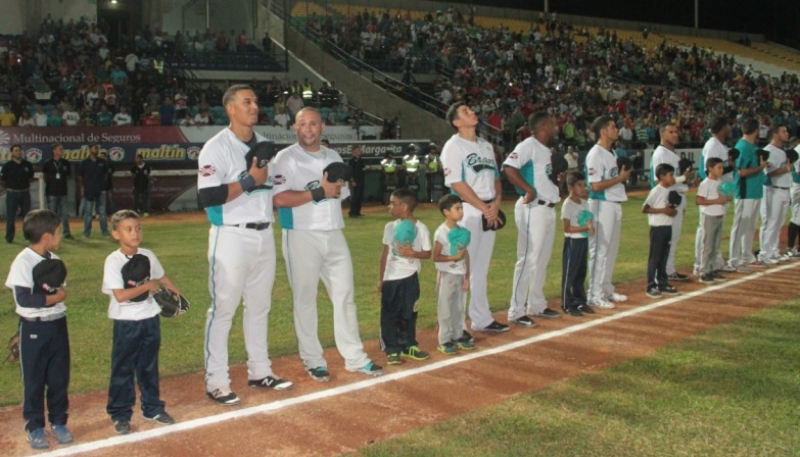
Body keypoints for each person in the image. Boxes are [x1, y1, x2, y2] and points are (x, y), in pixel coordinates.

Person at [197, 84, 292, 406]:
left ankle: (260, 370)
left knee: (259, 306)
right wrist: (250, 179)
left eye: (255, 101)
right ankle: (217, 380)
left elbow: (274, 190)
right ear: (231, 109)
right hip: (231, 235)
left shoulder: (266, 145)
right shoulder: (216, 147)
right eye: (246, 101)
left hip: (265, 233)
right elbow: (207, 196)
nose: (254, 106)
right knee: (223, 309)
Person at [272, 107, 383, 381]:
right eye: (302, 124)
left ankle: (355, 357)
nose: (308, 129)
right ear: (295, 128)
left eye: (313, 124)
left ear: (322, 127)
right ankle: (313, 360)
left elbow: (340, 194)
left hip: (334, 233)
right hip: (301, 234)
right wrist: (318, 191)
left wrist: (330, 192)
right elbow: (279, 199)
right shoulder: (285, 158)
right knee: (305, 300)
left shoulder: (333, 156)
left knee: (345, 296)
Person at [102, 210, 179, 434]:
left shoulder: (147, 255)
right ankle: (120, 413)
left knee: (148, 366)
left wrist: (178, 297)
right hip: (126, 322)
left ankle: (152, 407)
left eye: (138, 228)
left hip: (149, 318)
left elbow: (161, 277)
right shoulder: (113, 261)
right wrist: (148, 286)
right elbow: (120, 295)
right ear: (116, 234)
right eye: (128, 229)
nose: (135, 233)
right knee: (123, 368)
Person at [5, 210, 72, 449]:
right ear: (46, 235)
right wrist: (54, 298)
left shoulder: (53, 260)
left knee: (58, 379)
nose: (60, 235)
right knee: (33, 381)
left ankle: (58, 422)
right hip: (34, 329)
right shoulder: (23, 261)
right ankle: (34, 426)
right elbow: (23, 299)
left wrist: (56, 298)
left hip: (57, 325)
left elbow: (59, 292)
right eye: (58, 232)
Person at [440, 102, 508, 332]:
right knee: (462, 269)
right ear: (456, 122)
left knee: (481, 268)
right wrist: (483, 206)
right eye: (465, 112)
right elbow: (456, 183)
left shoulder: (486, 145)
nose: (472, 112)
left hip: (488, 210)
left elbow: (496, 178)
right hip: (466, 211)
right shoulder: (453, 147)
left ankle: (482, 318)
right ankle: (456, 327)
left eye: (471, 109)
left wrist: (495, 204)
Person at [503, 112, 562, 328]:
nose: (556, 127)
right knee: (527, 259)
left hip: (548, 208)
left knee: (542, 260)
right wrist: (528, 189)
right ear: (545, 126)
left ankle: (536, 303)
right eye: (553, 123)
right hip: (532, 208)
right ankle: (516, 310)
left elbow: (546, 177)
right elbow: (509, 167)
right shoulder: (528, 145)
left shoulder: (547, 150)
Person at [379, 189, 432, 365]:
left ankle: (408, 344)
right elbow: (385, 253)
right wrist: (382, 279)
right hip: (391, 278)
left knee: (409, 312)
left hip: (410, 276)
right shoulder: (390, 227)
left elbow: (427, 253)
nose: (389, 206)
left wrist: (412, 253)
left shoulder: (420, 228)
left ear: (404, 206)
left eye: (392, 203)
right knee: (389, 314)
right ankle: (392, 349)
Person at [586, 115, 630, 309]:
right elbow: (595, 186)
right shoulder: (595, 154)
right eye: (613, 127)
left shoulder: (611, 152)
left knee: (611, 249)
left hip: (614, 202)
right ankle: (594, 294)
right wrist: (620, 178)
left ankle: (605, 288)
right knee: (600, 250)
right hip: (600, 203)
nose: (616, 129)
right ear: (603, 131)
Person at [650, 123, 693, 282]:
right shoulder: (661, 153)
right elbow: (658, 180)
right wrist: (683, 178)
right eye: (671, 132)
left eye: (677, 131)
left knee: (673, 237)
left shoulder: (671, 153)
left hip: (676, 197)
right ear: (662, 134)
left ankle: (668, 270)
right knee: (665, 239)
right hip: (668, 200)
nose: (675, 134)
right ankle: (660, 273)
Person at [432, 194, 474, 354]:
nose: (461, 211)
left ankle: (457, 336)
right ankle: (444, 339)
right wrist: (453, 257)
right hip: (447, 274)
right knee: (446, 308)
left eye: (461, 208)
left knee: (458, 308)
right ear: (446, 212)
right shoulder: (441, 232)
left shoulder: (462, 232)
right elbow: (435, 256)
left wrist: (467, 276)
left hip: (460, 274)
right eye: (457, 208)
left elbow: (466, 255)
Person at [694, 117, 736, 276]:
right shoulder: (712, 145)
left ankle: (713, 264)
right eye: (728, 125)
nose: (729, 128)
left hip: (721, 192)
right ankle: (701, 264)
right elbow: (710, 169)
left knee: (715, 234)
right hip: (713, 193)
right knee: (705, 232)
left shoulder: (719, 145)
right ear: (722, 127)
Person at [727, 118, 767, 272]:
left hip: (755, 190)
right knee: (740, 226)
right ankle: (733, 259)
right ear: (756, 130)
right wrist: (760, 167)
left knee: (750, 226)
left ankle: (747, 255)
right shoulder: (742, 147)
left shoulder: (751, 146)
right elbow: (741, 172)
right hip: (745, 192)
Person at [560, 172, 596, 316]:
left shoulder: (585, 203)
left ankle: (580, 301)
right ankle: (567, 303)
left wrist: (589, 227)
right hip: (572, 242)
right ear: (570, 187)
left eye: (583, 185)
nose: (583, 188)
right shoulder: (567, 205)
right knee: (570, 273)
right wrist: (585, 228)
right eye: (579, 185)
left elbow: (588, 220)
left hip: (583, 240)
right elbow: (567, 228)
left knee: (581, 271)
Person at [643, 164, 680, 298]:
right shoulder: (656, 190)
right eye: (670, 175)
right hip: (657, 228)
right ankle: (651, 285)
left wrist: (672, 211)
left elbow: (672, 210)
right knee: (655, 258)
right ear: (662, 177)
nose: (673, 178)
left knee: (663, 257)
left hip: (667, 227)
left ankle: (663, 283)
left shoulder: (669, 192)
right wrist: (663, 210)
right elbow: (645, 208)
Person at [758, 123, 792, 264]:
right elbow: (769, 173)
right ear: (775, 134)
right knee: (771, 222)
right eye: (784, 131)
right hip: (774, 189)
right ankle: (764, 254)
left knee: (779, 223)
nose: (787, 134)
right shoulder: (768, 151)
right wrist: (786, 169)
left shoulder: (782, 151)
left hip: (784, 189)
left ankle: (774, 251)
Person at [696, 158, 732, 283]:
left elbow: (723, 198)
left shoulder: (720, 182)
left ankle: (711, 269)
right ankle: (704, 271)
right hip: (709, 216)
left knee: (715, 246)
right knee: (708, 246)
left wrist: (727, 198)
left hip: (719, 215)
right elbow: (699, 200)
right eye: (719, 167)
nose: (722, 170)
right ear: (710, 169)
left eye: (722, 167)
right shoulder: (705, 183)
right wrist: (717, 201)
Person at [1, 144, 34, 243]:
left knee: (27, 216)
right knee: (11, 216)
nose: (18, 152)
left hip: (25, 193)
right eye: (15, 150)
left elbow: (31, 177)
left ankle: (28, 237)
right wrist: (10, 187)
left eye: (19, 150)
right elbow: (2, 180)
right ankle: (9, 238)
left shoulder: (27, 164)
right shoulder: (7, 166)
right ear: (12, 152)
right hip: (12, 194)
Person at [78, 144, 110, 237]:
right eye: (94, 148)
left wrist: (101, 185)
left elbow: (106, 175)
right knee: (88, 213)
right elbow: (80, 176)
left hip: (101, 190)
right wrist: (83, 188)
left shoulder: (102, 162)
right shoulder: (84, 162)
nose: (96, 150)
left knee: (102, 212)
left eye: (97, 148)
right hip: (89, 190)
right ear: (89, 149)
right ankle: (86, 233)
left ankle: (105, 232)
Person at [42, 143, 73, 239]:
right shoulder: (47, 163)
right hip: (51, 192)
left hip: (63, 191)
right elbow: (44, 177)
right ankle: (52, 233)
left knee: (64, 214)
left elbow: (68, 176)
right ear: (54, 151)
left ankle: (66, 233)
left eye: (62, 149)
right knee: (52, 214)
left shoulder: (65, 163)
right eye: (60, 149)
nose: (62, 151)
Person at [348, 145, 365, 218]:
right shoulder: (351, 160)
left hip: (361, 180)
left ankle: (358, 212)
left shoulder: (361, 160)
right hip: (354, 181)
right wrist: (352, 181)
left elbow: (363, 168)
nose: (359, 151)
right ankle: (352, 212)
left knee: (359, 196)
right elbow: (350, 171)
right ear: (354, 151)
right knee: (354, 197)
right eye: (358, 150)